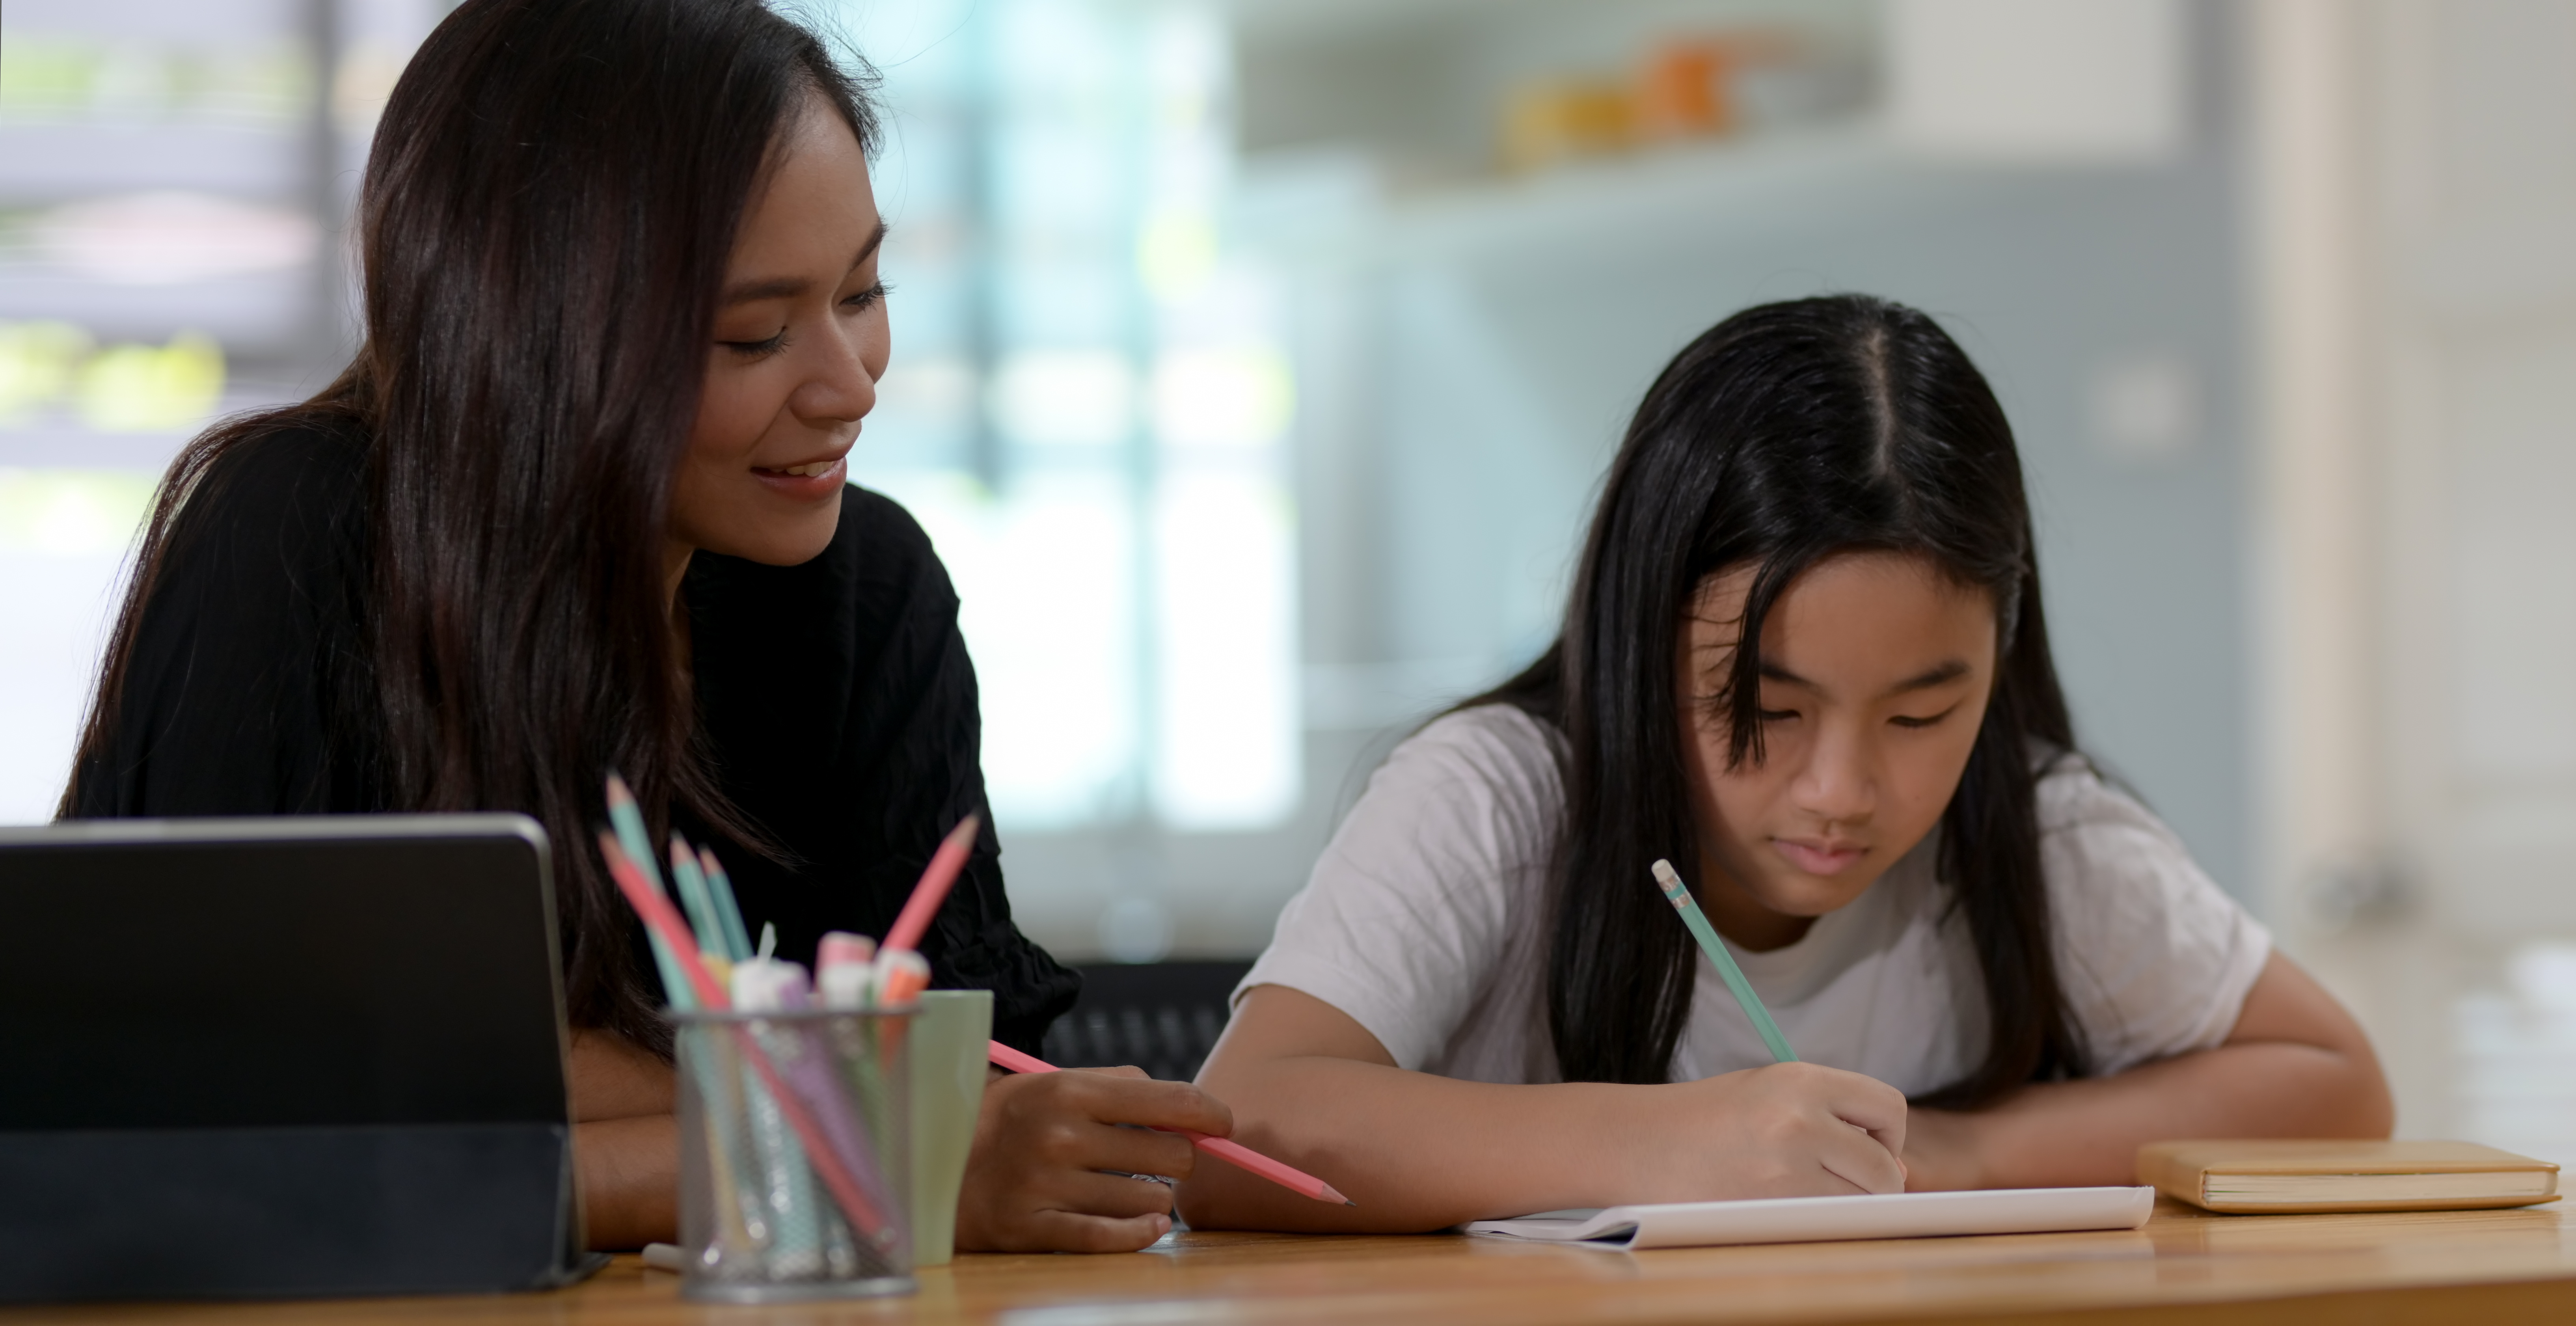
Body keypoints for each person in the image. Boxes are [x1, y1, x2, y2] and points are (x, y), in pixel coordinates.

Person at [60, 0, 1220, 1254]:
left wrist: (797, 1133)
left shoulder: (867, 591)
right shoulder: (298, 532)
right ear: (542, 340)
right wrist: (838, 1148)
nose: (851, 382)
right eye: (755, 335)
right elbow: (208, 1113)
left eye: (864, 290)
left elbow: (977, 1092)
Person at [1181, 295, 2393, 1231]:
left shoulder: (2027, 831)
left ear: (2000, 654)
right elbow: (1240, 1128)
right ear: (1639, 630)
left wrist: (1951, 1150)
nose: (1840, 791)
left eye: (1922, 715)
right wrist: (1665, 1143)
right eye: (1762, 706)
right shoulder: (1498, 798)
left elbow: (2333, 1085)